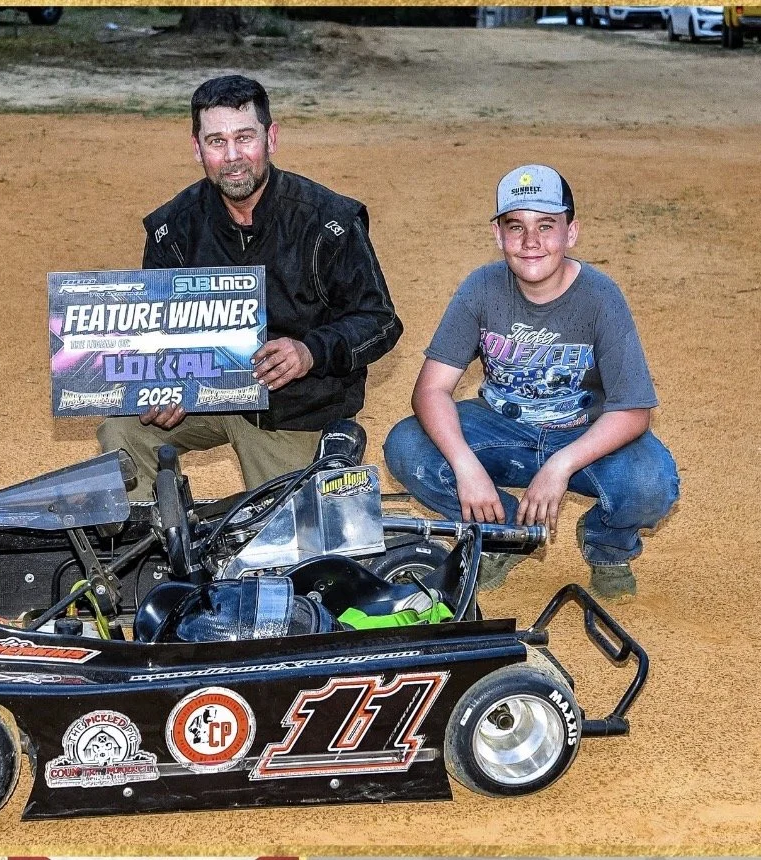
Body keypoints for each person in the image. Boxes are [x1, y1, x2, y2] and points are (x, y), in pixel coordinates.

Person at [382, 164, 679, 601]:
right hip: (502, 427)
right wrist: (467, 468)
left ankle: (608, 546)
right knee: (407, 445)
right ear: (498, 236)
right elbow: (431, 389)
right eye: (514, 226)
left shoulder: (600, 296)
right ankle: (504, 534)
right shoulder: (482, 287)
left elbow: (633, 410)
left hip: (581, 431)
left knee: (651, 481)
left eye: (546, 225)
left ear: (571, 232)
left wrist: (561, 466)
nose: (531, 241)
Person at [97, 75, 402, 499]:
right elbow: (155, 335)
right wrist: (165, 385)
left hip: (294, 408)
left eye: (245, 137)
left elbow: (380, 321)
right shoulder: (172, 229)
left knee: (283, 547)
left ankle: (328, 459)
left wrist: (310, 351)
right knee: (123, 430)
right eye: (217, 141)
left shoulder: (328, 222)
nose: (233, 156)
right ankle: (160, 546)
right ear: (197, 148)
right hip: (205, 400)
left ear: (271, 138)